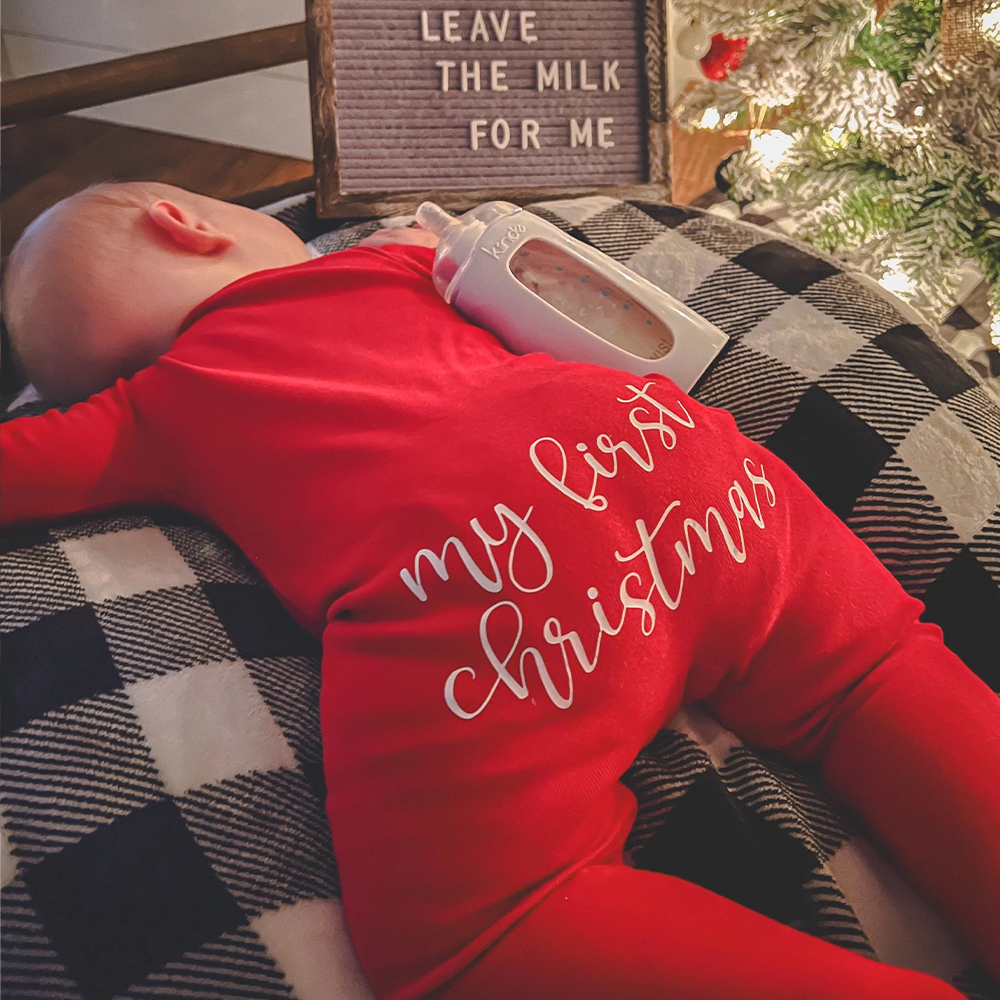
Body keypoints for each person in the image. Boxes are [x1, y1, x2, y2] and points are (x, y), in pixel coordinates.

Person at [2, 183, 997, 1000]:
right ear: (186, 222)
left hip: (493, 589)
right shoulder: (391, 262)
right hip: (682, 469)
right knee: (870, 673)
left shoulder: (146, 414)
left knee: (479, 928)